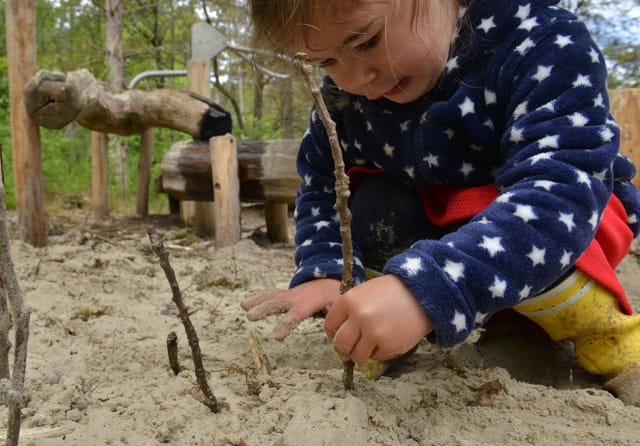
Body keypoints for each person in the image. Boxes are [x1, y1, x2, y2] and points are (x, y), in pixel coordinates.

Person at [240, 0, 640, 405]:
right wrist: (324, 270)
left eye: (367, 42)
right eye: (326, 59)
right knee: (372, 199)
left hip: (565, 229)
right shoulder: (342, 95)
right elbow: (324, 182)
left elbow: (561, 191)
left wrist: (429, 288)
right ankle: (382, 329)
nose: (359, 79)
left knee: (528, 213)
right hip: (440, 250)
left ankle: (604, 334)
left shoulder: (543, 40)